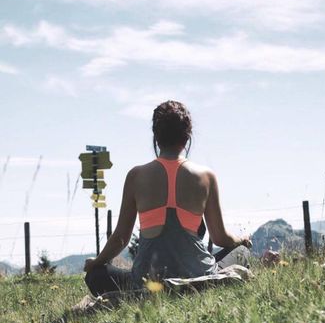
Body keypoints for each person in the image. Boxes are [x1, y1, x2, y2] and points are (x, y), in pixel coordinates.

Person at [84, 100, 251, 297]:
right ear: (187, 137)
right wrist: (242, 240)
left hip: (146, 282)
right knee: (242, 252)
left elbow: (120, 238)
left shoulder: (136, 176)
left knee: (96, 276)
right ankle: (200, 286)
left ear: (156, 136)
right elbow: (220, 238)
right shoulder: (206, 176)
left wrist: (96, 262)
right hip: (197, 276)